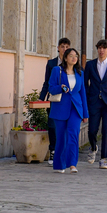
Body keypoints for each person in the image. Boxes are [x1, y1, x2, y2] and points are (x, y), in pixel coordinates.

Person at [48, 48, 89, 173]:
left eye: (75, 56)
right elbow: (51, 88)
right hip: (60, 108)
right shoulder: (57, 70)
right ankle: (60, 165)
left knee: (73, 135)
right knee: (61, 137)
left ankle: (72, 164)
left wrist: (85, 113)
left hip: (76, 109)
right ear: (65, 58)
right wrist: (60, 87)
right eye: (71, 56)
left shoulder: (79, 73)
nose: (74, 58)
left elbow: (83, 94)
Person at [83, 39, 107, 169]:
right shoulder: (90, 65)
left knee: (106, 130)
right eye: (99, 48)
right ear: (97, 49)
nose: (101, 50)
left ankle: (104, 158)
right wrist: (88, 96)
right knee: (92, 130)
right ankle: (93, 147)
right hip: (94, 101)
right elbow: (84, 83)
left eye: (104, 48)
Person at [39, 37, 71, 165]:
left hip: (67, 100)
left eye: (67, 47)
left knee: (65, 127)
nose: (64, 49)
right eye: (62, 46)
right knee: (52, 125)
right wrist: (41, 98)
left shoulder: (72, 63)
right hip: (54, 99)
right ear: (58, 48)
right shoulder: (51, 63)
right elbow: (46, 82)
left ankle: (63, 151)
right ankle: (52, 150)